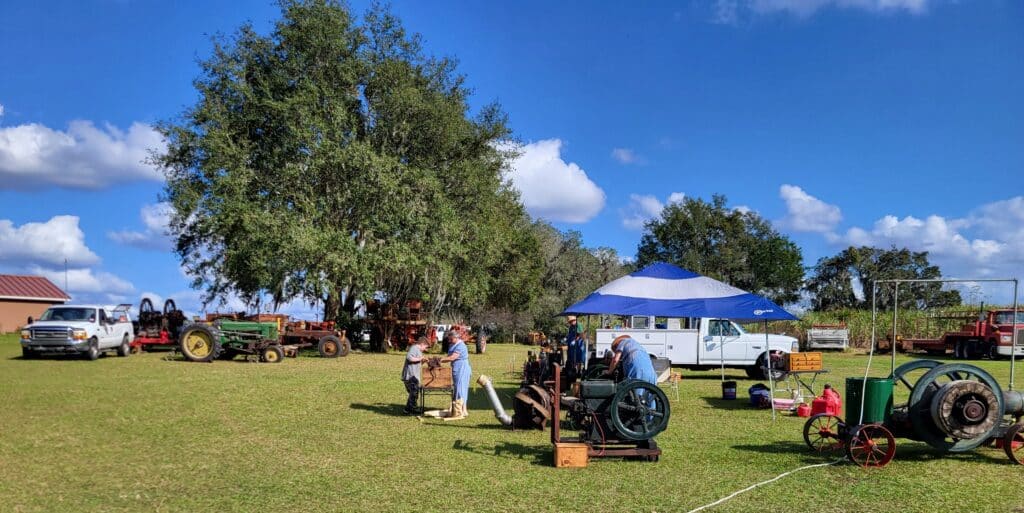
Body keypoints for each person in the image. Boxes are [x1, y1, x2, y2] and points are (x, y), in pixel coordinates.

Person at [439, 328, 472, 419]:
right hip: (456, 368)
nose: (449, 341)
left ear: (456, 337)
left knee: (461, 388)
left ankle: (462, 410)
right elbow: (449, 357)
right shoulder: (452, 344)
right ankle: (459, 409)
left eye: (451, 339)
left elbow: (452, 357)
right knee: (458, 388)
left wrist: (440, 359)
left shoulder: (461, 346)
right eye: (449, 339)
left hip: (462, 368)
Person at [401, 336, 430, 415]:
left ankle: (413, 408)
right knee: (413, 393)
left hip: (414, 376)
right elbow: (409, 358)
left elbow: (417, 363)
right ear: (422, 344)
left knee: (414, 393)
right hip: (410, 375)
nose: (425, 349)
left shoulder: (418, 351)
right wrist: (420, 359)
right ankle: (407, 410)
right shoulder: (414, 348)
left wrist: (423, 361)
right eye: (425, 347)